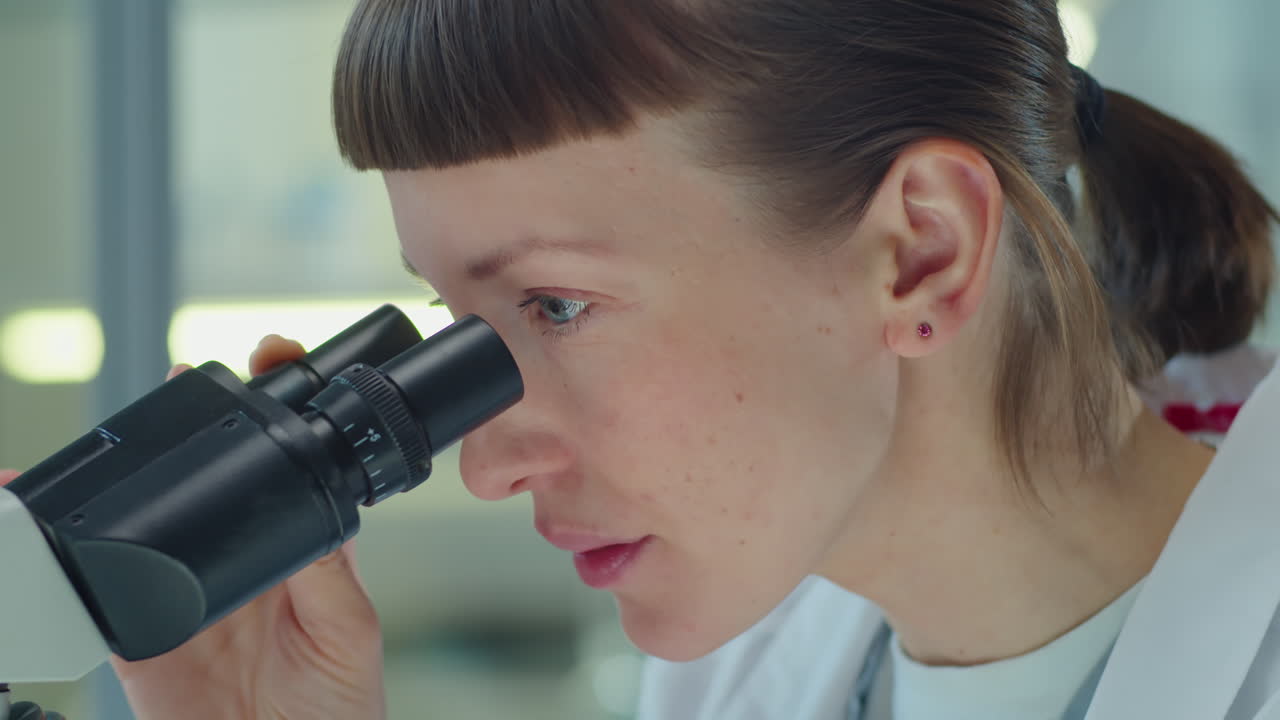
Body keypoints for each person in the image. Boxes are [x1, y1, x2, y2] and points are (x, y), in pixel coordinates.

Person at [7, 1, 1280, 718]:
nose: (488, 460)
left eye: (554, 307)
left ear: (920, 253)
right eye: (456, 331)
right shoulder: (724, 680)